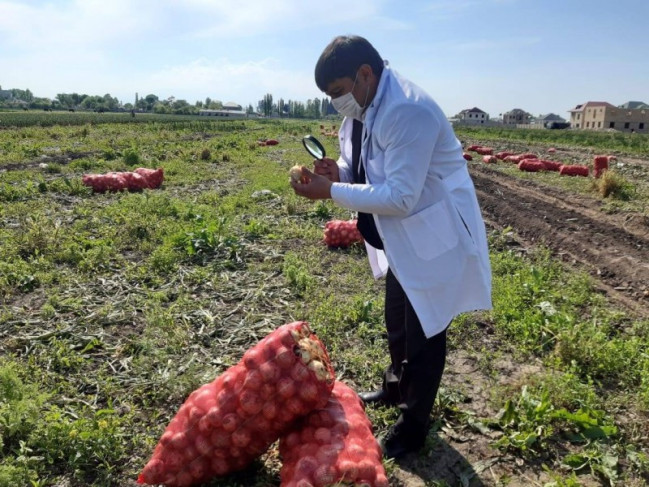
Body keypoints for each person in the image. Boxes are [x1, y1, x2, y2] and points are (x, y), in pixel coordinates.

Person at [291, 35, 492, 459]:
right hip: (402, 237)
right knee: (398, 321)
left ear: (365, 74)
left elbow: (399, 195)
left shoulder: (406, 111)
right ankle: (393, 388)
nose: (336, 103)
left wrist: (332, 191)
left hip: (431, 233)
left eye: (338, 92)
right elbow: (362, 167)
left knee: (425, 330)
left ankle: (414, 425)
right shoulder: (362, 109)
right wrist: (337, 171)